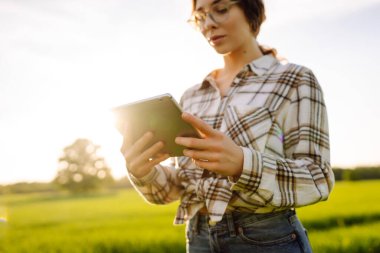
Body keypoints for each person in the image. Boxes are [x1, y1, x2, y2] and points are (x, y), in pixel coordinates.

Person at [120, 0, 335, 252]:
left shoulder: (294, 79)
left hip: (266, 238)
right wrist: (142, 171)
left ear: (251, 11)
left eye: (220, 9)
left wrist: (243, 163)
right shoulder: (192, 96)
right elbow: (179, 185)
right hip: (199, 238)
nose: (208, 24)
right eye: (200, 17)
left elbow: (317, 177)